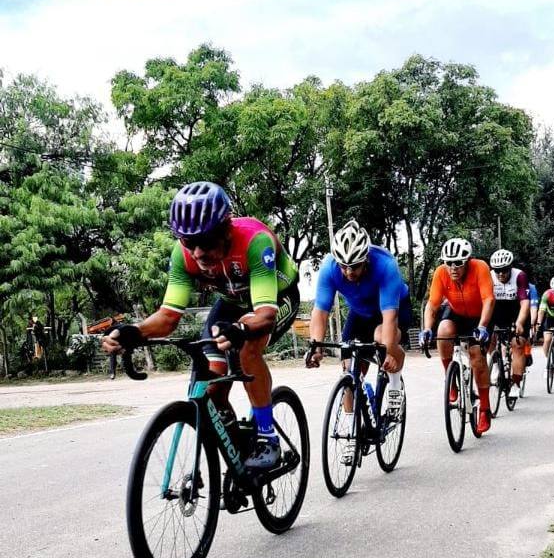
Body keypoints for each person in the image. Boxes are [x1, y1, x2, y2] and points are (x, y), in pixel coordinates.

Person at [103, 181, 300, 470]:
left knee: (247, 350)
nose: (196, 252)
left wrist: (242, 331)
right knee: (212, 390)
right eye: (187, 241)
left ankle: (267, 437)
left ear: (226, 228)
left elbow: (264, 314)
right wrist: (134, 332)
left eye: (204, 241)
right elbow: (168, 316)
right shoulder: (183, 256)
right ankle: (236, 443)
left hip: (275, 299)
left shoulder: (254, 241)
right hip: (232, 304)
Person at [306, 219, 410, 463]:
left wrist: (390, 352)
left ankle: (394, 387)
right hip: (360, 313)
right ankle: (352, 434)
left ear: (366, 259)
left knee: (383, 342)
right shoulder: (330, 269)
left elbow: (389, 317)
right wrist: (316, 346)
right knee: (349, 371)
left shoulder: (385, 266)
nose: (348, 272)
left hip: (392, 308)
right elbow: (320, 312)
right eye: (344, 266)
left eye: (355, 266)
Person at [419, 237, 495, 434]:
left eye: (458, 263)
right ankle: (450, 379)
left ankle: (485, 409)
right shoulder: (441, 273)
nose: (453, 267)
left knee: (477, 357)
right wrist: (427, 328)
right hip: (456, 312)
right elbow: (432, 305)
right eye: (448, 262)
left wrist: (483, 327)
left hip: (480, 316)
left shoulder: (480, 268)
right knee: (442, 332)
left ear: (468, 261)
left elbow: (488, 299)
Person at [488, 249, 530, 398]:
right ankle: (494, 365)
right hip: (497, 310)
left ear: (510, 268)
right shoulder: (489, 276)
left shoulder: (520, 276)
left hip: (516, 311)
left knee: (517, 344)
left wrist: (519, 322)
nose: (500, 274)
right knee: (488, 337)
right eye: (497, 270)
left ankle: (516, 384)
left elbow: (525, 303)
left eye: (504, 270)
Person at [524, 280, 539, 366]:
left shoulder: (531, 287)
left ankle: (527, 353)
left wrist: (532, 323)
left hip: (526, 313)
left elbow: (533, 308)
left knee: (526, 337)